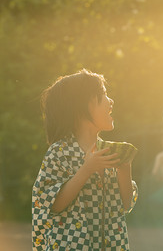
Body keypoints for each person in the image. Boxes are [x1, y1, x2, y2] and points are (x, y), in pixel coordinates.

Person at [32, 69, 138, 251]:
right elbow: (52, 205)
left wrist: (124, 169)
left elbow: (126, 204)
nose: (110, 100)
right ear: (82, 106)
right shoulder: (59, 152)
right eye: (103, 94)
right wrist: (86, 169)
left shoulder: (110, 151)